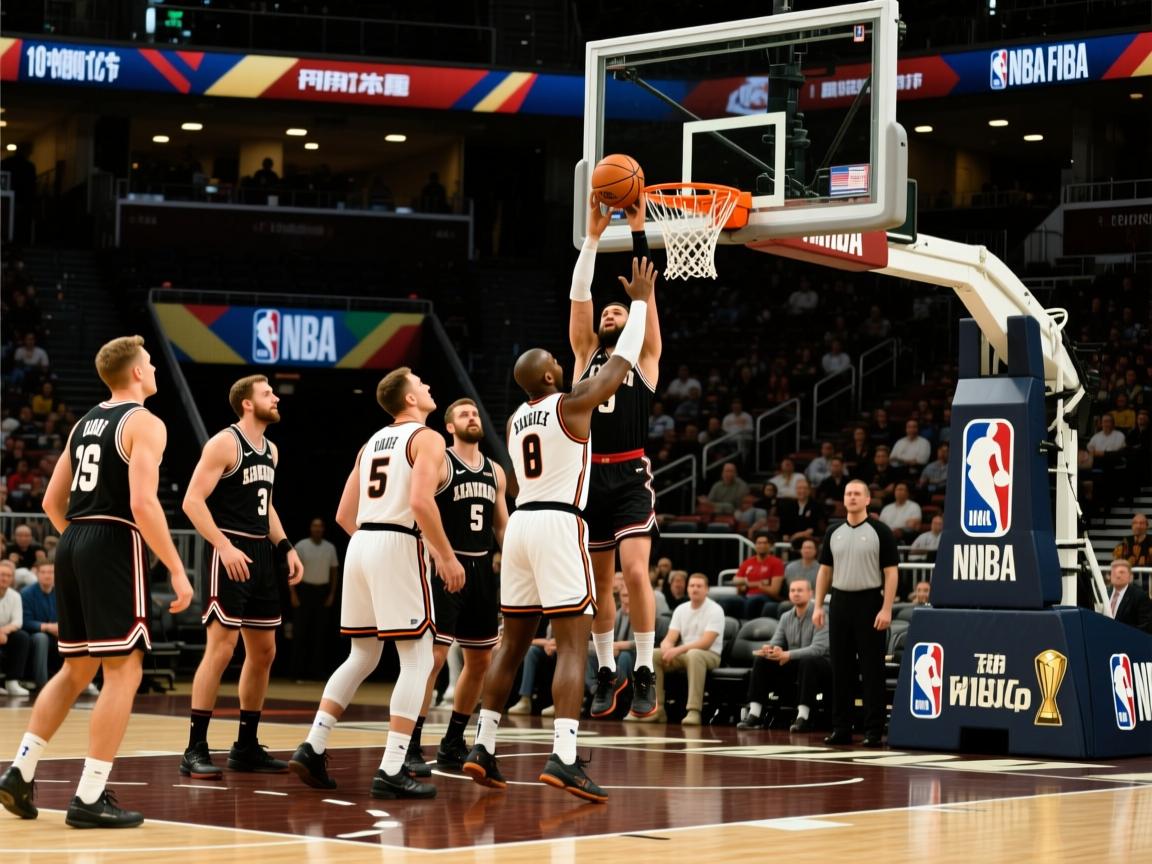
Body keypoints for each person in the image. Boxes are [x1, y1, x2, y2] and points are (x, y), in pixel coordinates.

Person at [462, 255, 654, 803]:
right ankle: (565, 758)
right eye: (555, 361)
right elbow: (619, 366)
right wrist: (639, 302)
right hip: (556, 524)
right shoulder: (570, 406)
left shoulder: (517, 418)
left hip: (519, 527)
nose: (562, 361)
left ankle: (484, 746)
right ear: (551, 376)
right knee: (572, 643)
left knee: (512, 642)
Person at [0, 335, 192, 827]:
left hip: (73, 540)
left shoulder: (84, 423)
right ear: (134, 374)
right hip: (111, 538)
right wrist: (174, 566)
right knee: (124, 671)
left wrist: (80, 545)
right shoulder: (145, 422)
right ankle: (89, 795)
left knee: (76, 670)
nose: (154, 370)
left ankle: (19, 771)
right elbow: (143, 504)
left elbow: (49, 502)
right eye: (149, 364)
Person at [289, 368, 464, 799]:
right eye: (422, 384)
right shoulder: (427, 438)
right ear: (409, 399)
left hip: (361, 544)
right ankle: (391, 766)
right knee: (419, 659)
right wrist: (444, 555)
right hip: (396, 541)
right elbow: (421, 502)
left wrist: (373, 546)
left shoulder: (370, 443)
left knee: (363, 654)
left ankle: (314, 744)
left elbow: (344, 516)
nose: (428, 386)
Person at [179, 375, 304, 780]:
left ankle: (245, 745)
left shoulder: (273, 450)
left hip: (262, 555)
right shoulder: (225, 443)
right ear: (247, 404)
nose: (276, 398)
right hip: (229, 549)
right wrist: (223, 545)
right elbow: (192, 501)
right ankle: (194, 747)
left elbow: (266, 506)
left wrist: (286, 547)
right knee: (221, 648)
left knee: (264, 652)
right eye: (267, 394)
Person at [569, 195, 664, 723]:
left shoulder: (643, 359)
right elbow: (580, 294)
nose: (610, 311)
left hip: (629, 473)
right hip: (588, 478)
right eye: (608, 311)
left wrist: (638, 232)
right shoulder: (585, 357)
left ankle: (645, 669)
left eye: (620, 310)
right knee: (597, 585)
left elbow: (644, 306)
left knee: (633, 572)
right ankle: (608, 672)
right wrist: (593, 236)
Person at [411, 398, 509, 774]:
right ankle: (412, 742)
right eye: (464, 414)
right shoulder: (440, 462)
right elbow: (419, 511)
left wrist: (517, 559)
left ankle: (453, 741)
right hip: (445, 564)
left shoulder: (495, 472)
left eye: (475, 413)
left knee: (481, 658)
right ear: (449, 426)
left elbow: (503, 527)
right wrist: (438, 553)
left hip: (482, 568)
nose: (473, 417)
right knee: (433, 657)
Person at [813, 479, 899, 747]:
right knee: (841, 669)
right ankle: (841, 728)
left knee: (873, 670)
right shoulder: (833, 532)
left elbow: (891, 572)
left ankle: (873, 731)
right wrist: (818, 605)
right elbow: (825, 571)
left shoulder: (880, 531)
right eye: (848, 493)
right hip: (839, 601)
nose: (851, 497)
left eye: (856, 493)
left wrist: (887, 608)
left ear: (867, 499)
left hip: (870, 602)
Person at [737, 580, 831, 731]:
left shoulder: (820, 615)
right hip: (796, 663)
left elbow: (818, 649)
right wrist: (770, 649)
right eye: (792, 590)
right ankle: (755, 713)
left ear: (810, 593)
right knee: (762, 660)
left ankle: (803, 716)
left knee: (808, 662)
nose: (796, 593)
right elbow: (777, 641)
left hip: (822, 665)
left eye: (800, 590)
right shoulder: (786, 616)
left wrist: (788, 654)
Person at [647, 572, 725, 726]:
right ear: (688, 589)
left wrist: (678, 650)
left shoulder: (715, 610)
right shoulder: (681, 609)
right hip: (685, 655)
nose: (695, 589)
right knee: (654, 655)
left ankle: (694, 711)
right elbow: (670, 638)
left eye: (699, 586)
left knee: (694, 654)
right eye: (692, 585)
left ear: (707, 589)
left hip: (710, 656)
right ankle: (657, 709)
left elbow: (706, 643)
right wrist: (667, 647)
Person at [290, 518, 340, 682]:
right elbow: (292, 570)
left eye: (320, 526)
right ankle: (298, 673)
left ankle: (317, 672)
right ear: (310, 528)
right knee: (300, 633)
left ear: (323, 529)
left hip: (322, 592)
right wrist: (293, 593)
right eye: (315, 526)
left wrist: (332, 594)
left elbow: (334, 572)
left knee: (320, 635)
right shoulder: (301, 545)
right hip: (304, 591)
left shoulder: (330, 547)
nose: (317, 529)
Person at [21, 562, 61, 690]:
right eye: (43, 572)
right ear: (37, 575)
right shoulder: (26, 593)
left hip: (57, 634)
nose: (47, 576)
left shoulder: (62, 593)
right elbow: (25, 621)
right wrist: (47, 627)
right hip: (34, 635)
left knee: (74, 635)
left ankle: (79, 682)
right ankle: (42, 684)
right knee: (41, 638)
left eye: (51, 572)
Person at [728, 535, 785, 620]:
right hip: (746, 595)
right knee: (726, 600)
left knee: (753, 600)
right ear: (755, 545)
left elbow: (774, 591)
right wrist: (758, 583)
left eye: (765, 543)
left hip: (766, 597)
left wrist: (746, 584)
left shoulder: (776, 563)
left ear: (770, 546)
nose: (761, 545)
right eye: (759, 543)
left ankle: (747, 626)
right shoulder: (748, 562)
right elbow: (735, 580)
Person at [0, 561, 31, 696]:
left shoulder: (15, 595)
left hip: (5, 632)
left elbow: (18, 622)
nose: (4, 578)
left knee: (22, 636)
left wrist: (3, 631)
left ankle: (12, 681)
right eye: (1, 575)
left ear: (12, 579)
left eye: (8, 575)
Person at [1107, 558, 1152, 634]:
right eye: (1114, 572)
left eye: (1122, 572)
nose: (1117, 575)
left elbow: (1145, 627)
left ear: (1130, 576)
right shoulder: (1105, 592)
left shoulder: (1140, 596)